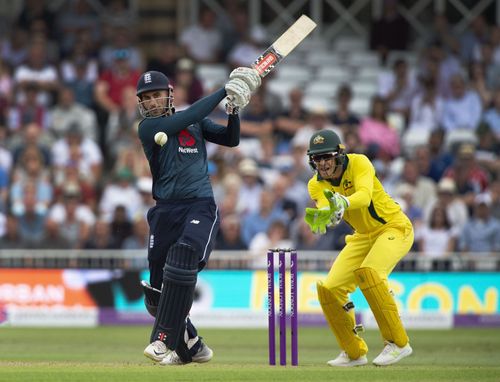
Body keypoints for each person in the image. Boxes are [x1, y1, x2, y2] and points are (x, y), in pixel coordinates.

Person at [136, 67, 259, 365]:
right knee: (156, 292)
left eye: (157, 95)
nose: (152, 102)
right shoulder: (147, 128)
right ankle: (192, 346)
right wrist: (223, 90)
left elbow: (231, 139)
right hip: (165, 210)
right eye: (147, 97)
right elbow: (185, 118)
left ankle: (163, 341)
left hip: (198, 205)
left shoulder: (196, 122)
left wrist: (232, 110)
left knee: (183, 256)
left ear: (169, 94)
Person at [303, 129, 414, 367]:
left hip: (393, 227)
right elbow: (324, 203)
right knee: (329, 288)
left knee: (371, 273)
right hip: (363, 236)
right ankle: (353, 352)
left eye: (327, 157)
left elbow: (364, 196)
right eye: (317, 159)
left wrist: (343, 202)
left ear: (339, 155)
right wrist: (325, 215)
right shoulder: (315, 184)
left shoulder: (359, 162)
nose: (322, 164)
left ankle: (398, 343)